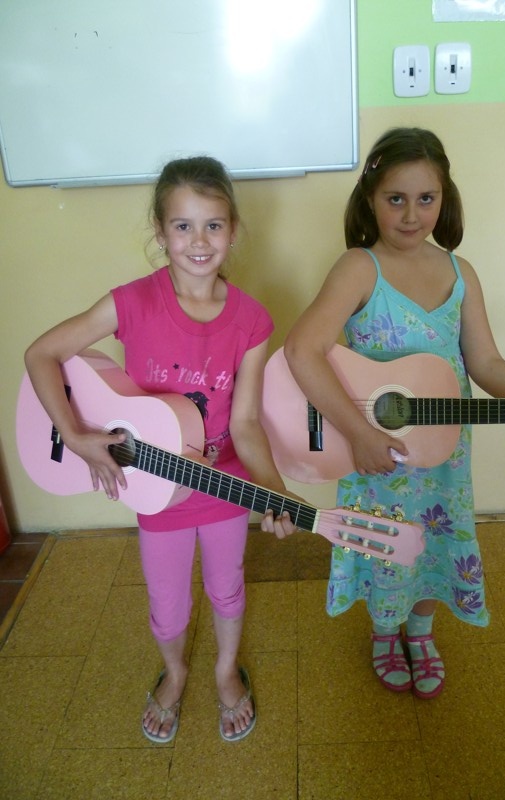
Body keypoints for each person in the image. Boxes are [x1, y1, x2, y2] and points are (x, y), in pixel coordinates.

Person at [283, 128, 505, 699]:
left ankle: (421, 632)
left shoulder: (460, 273)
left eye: (425, 198)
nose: (411, 215)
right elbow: (302, 350)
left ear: (444, 198)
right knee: (387, 543)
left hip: (444, 459)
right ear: (370, 200)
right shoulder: (359, 268)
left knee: (435, 540)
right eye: (395, 199)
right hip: (375, 454)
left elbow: (488, 362)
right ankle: (385, 632)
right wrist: (359, 434)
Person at [24, 155, 295, 742]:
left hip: (222, 485)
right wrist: (75, 435)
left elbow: (246, 421)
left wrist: (274, 489)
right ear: (160, 231)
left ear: (233, 230)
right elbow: (40, 354)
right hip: (156, 491)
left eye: (213, 225)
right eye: (183, 226)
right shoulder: (132, 303)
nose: (199, 241)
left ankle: (226, 670)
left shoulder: (251, 320)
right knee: (167, 601)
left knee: (227, 586)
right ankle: (175, 672)